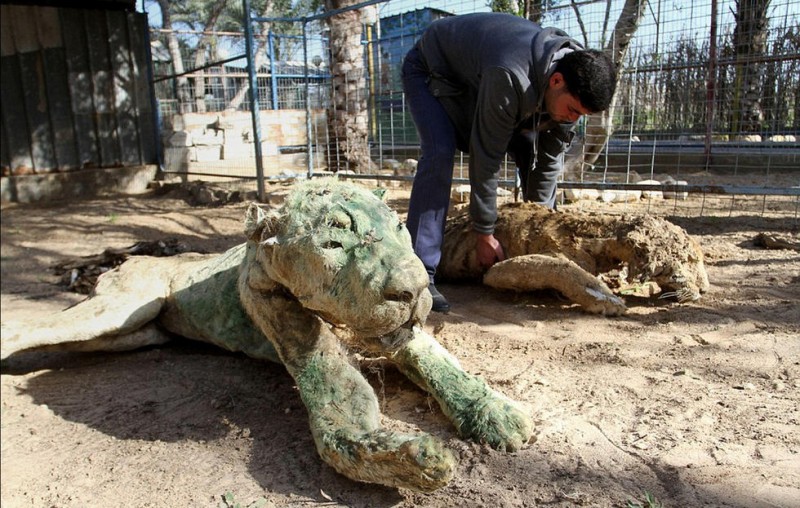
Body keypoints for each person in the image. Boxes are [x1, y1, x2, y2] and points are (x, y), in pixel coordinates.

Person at [401, 12, 617, 313]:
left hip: (479, 78)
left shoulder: (573, 80)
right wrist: (484, 232)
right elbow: (486, 155)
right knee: (440, 151)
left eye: (580, 115)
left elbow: (547, 163)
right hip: (433, 71)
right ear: (556, 81)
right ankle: (421, 274)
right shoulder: (511, 75)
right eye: (572, 110)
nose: (573, 120)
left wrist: (541, 230)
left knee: (530, 146)